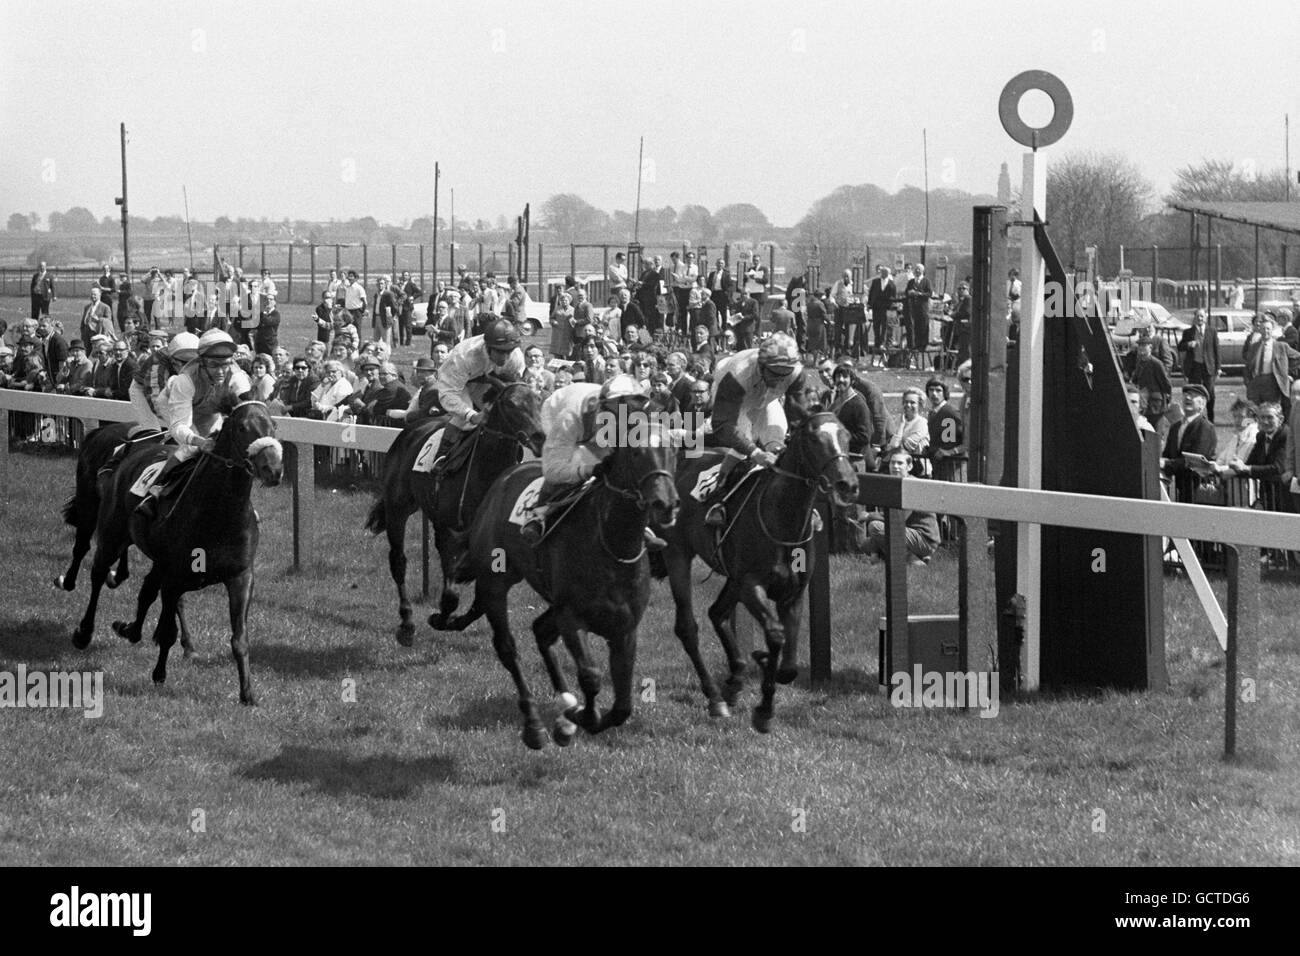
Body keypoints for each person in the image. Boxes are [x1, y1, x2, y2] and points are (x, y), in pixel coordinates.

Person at [519, 373, 665, 548]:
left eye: (631, 409)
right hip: (555, 413)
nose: (627, 416)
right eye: (621, 410)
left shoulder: (631, 411)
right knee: (573, 466)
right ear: (605, 407)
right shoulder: (570, 418)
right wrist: (588, 469)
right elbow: (552, 470)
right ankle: (538, 515)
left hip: (593, 425)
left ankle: (639, 526)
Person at [136, 329, 253, 517]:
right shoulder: (184, 380)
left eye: (226, 364)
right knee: (190, 449)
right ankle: (156, 490)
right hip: (175, 407)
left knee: (223, 448)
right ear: (201, 362)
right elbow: (179, 427)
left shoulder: (236, 374)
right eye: (214, 365)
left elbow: (247, 401)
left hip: (208, 409)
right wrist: (200, 442)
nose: (222, 371)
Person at [701, 332, 804, 527]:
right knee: (744, 443)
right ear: (761, 365)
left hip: (767, 399)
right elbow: (723, 425)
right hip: (738, 398)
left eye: (786, 374)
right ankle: (718, 497)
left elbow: (797, 414)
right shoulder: (737, 374)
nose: (780, 380)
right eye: (774, 373)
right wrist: (755, 452)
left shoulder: (796, 372)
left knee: (777, 443)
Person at [433, 318, 526, 459]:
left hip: (489, 380)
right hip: (458, 384)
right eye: (500, 352)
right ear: (488, 347)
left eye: (509, 351)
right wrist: (472, 416)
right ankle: (442, 457)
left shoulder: (516, 357)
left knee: (506, 414)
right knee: (464, 420)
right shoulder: (463, 355)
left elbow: (515, 388)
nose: (506, 358)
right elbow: (448, 394)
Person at [864, 448, 941, 566]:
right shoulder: (895, 484)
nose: (895, 466)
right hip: (907, 532)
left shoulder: (912, 485)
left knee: (875, 527)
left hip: (924, 538)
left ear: (909, 467)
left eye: (900, 463)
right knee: (866, 544)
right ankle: (881, 559)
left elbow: (899, 518)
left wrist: (869, 515)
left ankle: (913, 561)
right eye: (892, 462)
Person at [1161, 384, 1217, 502]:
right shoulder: (1175, 427)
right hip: (1181, 488)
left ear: (1202, 404)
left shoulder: (1205, 427)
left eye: (1193, 396)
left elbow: (1196, 460)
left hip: (1200, 488)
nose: (1188, 398)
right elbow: (1168, 454)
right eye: (1186, 395)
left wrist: (1167, 464)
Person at [1177, 308, 1220, 423]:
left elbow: (1216, 350)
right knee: (1195, 392)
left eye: (1202, 316)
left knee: (1210, 393)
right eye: (1198, 316)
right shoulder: (1188, 332)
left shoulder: (1212, 331)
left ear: (1205, 318)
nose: (1200, 318)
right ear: (1194, 318)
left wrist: (1218, 368)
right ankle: (1195, 418)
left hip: (1208, 367)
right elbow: (1180, 346)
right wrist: (1188, 344)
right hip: (1194, 367)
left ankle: (1210, 419)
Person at [826, 365, 874, 466]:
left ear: (852, 380)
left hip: (855, 460)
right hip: (838, 456)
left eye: (845, 376)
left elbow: (864, 437)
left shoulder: (858, 404)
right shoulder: (837, 401)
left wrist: (838, 436)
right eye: (838, 377)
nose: (841, 380)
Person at [885, 387, 930, 476]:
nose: (908, 405)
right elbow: (893, 446)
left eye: (912, 402)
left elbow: (906, 447)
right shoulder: (900, 421)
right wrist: (901, 425)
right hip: (901, 468)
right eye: (906, 402)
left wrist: (896, 444)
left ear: (920, 405)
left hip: (919, 470)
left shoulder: (921, 423)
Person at [389, 355, 444, 426]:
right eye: (418, 372)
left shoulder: (433, 391)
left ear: (433, 373)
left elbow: (424, 413)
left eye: (423, 372)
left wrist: (408, 416)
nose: (419, 375)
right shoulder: (425, 388)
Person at [1212, 398, 1258, 475]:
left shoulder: (1254, 436)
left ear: (1251, 418)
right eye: (1235, 416)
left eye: (1241, 417)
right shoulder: (1236, 436)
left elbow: (1242, 463)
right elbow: (1222, 459)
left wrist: (1220, 468)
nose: (1237, 421)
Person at [866, 266, 896, 362]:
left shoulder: (892, 284)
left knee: (884, 326)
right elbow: (871, 294)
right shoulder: (875, 282)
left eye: (885, 272)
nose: (883, 274)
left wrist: (891, 304)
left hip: (886, 308)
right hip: (876, 307)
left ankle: (882, 342)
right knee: (876, 325)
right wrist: (869, 304)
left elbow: (893, 297)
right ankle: (877, 342)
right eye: (882, 272)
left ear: (888, 274)